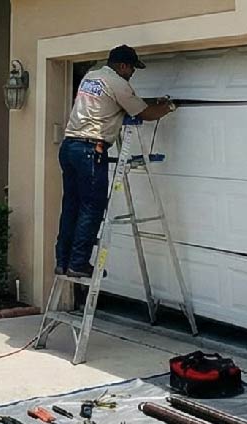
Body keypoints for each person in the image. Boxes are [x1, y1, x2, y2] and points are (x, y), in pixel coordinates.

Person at [56, 44, 176, 278]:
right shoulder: (119, 84)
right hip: (91, 150)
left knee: (71, 206)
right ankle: (79, 263)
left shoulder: (92, 76)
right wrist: (168, 107)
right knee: (92, 206)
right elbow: (144, 113)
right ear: (122, 66)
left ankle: (63, 261)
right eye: (132, 69)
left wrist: (150, 101)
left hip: (70, 147)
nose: (132, 74)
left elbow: (118, 101)